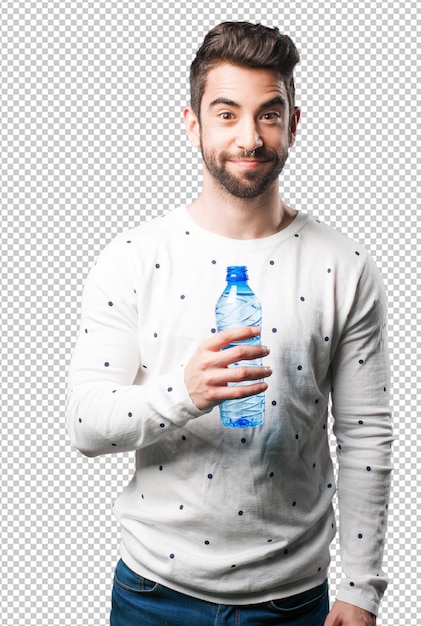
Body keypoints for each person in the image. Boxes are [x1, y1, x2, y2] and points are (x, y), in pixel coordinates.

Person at [67, 21, 393, 626]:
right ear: (192, 124)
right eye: (227, 114)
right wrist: (181, 395)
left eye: (269, 114)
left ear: (295, 123)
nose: (250, 136)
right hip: (153, 597)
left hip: (293, 600)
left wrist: (361, 587)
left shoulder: (341, 263)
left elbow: (365, 434)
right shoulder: (134, 258)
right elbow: (87, 423)